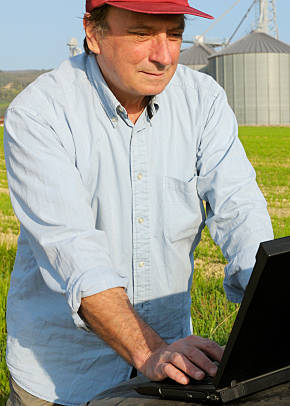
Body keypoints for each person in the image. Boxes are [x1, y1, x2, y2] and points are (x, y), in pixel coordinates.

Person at [3, 1, 274, 404]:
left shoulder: (202, 100)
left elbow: (239, 207)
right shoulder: (40, 114)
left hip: (173, 364)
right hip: (64, 375)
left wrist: (272, 304)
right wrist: (147, 349)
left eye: (175, 34)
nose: (163, 55)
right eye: (141, 33)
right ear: (93, 34)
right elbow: (73, 248)